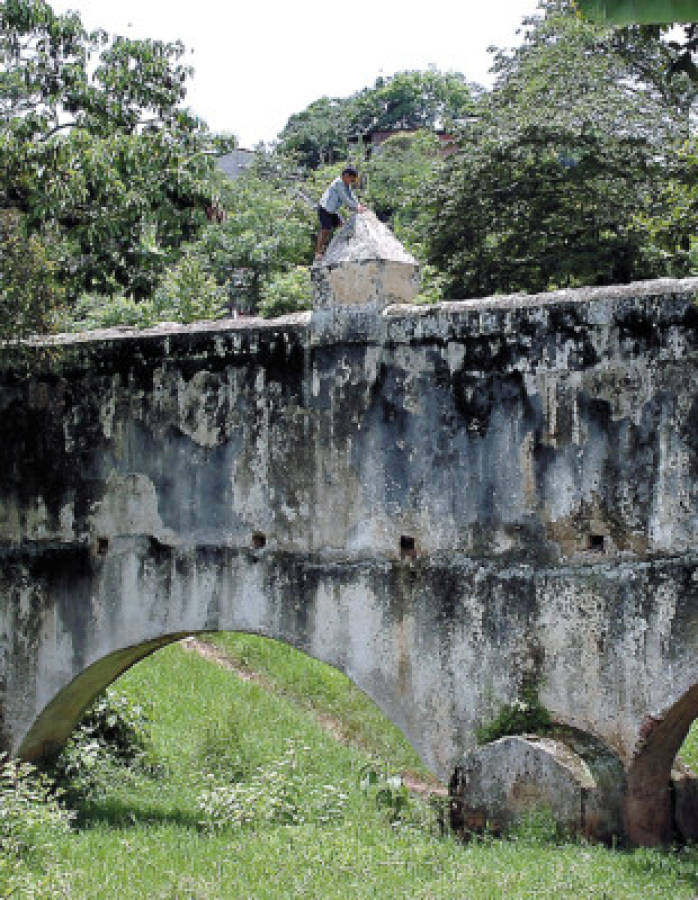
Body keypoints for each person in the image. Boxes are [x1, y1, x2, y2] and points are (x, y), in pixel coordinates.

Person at [315, 166, 367, 259]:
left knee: (343, 225)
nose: (351, 182)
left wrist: (358, 205)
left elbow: (351, 195)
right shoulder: (338, 183)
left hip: (332, 211)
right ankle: (318, 252)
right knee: (325, 230)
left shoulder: (346, 184)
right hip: (324, 209)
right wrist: (356, 207)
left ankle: (337, 248)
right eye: (351, 180)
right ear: (346, 176)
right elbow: (345, 198)